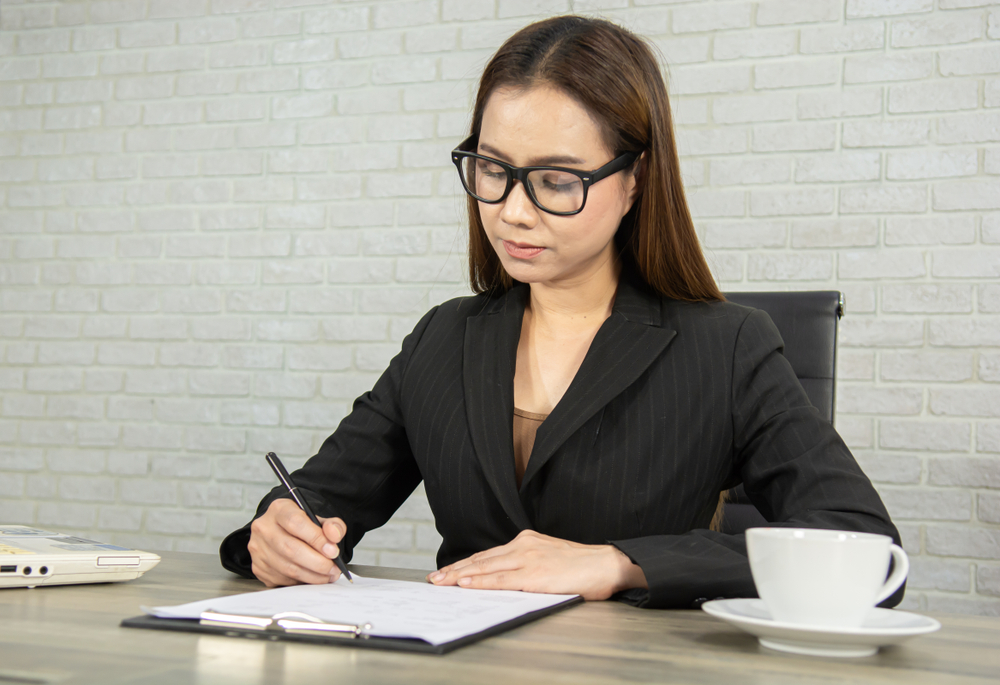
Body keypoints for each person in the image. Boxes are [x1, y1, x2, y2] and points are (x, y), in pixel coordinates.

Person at [220, 15, 903, 609]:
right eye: (493, 170)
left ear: (634, 179)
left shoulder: (728, 346)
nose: (513, 210)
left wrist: (618, 561)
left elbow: (864, 546)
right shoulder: (443, 336)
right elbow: (314, 500)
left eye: (555, 180)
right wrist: (278, 532)